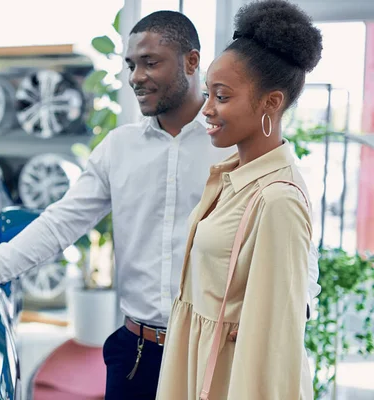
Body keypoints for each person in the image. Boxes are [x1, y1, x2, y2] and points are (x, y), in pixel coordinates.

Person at [0, 10, 320, 399]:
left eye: (151, 62)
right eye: (131, 65)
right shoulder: (119, 147)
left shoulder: (234, 147)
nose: (136, 76)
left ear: (192, 62)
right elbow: (58, 224)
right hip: (135, 354)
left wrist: (276, 322)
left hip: (207, 355)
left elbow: (297, 258)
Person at [156, 1, 323, 399]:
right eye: (209, 93)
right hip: (198, 368)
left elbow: (273, 348)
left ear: (271, 103)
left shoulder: (277, 200)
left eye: (222, 96)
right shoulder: (230, 178)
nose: (207, 109)